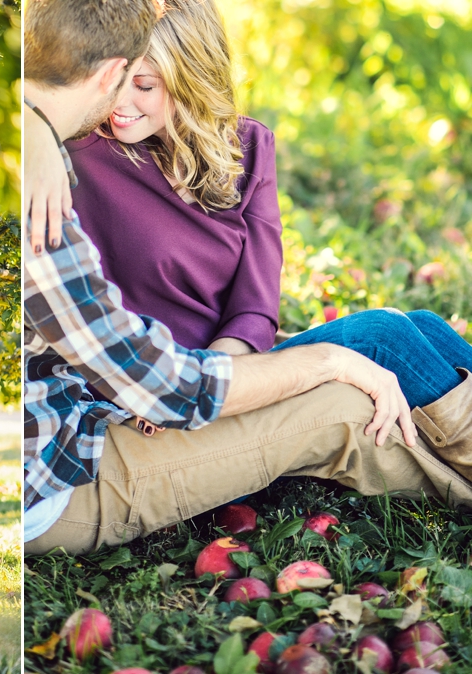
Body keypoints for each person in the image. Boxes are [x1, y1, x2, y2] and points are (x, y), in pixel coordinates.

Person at [23, 0, 472, 557]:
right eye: (118, 81)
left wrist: (234, 367)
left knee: (420, 327)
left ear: (191, 77)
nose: (121, 103)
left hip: (222, 372)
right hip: (149, 397)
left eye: (146, 85)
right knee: (385, 336)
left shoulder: (249, 148)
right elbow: (104, 341)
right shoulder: (77, 159)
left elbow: (257, 302)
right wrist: (36, 134)